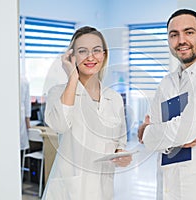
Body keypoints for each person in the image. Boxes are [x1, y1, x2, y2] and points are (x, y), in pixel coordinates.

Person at [138, 9, 196, 200]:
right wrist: (164, 136)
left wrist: (147, 132)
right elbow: (157, 132)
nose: (181, 40)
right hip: (166, 186)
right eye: (174, 35)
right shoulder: (166, 82)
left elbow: (181, 131)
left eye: (189, 32)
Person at [41, 26, 132, 200]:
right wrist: (73, 78)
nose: (91, 57)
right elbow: (60, 125)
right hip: (68, 191)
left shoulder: (114, 98)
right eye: (82, 51)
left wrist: (122, 156)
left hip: (103, 190)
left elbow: (120, 142)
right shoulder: (57, 93)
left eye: (96, 50)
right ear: (72, 57)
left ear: (104, 55)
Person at [20, 76, 31, 153]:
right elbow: (27, 104)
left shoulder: (24, 81)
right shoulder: (24, 81)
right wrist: (28, 124)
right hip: (21, 116)